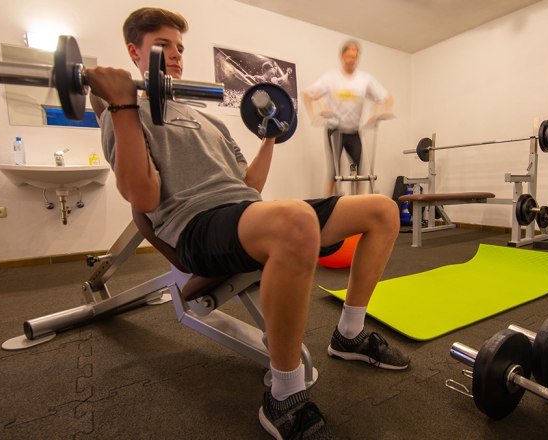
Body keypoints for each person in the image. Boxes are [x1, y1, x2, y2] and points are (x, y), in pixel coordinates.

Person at [84, 7, 409, 439]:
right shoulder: (124, 115)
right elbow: (142, 198)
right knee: (294, 220)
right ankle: (284, 395)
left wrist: (270, 138)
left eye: (180, 47)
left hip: (243, 211)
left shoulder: (208, 118)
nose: (176, 56)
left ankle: (348, 335)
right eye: (164, 46)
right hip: (196, 226)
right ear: (133, 51)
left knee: (382, 210)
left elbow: (250, 185)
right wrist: (120, 103)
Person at [302, 40, 394, 196]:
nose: (352, 56)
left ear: (358, 58)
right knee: (333, 173)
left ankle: (356, 205)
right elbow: (307, 94)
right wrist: (317, 112)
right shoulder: (331, 77)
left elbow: (387, 97)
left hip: (353, 131)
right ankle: (329, 205)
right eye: (349, 53)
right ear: (342, 56)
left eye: (355, 53)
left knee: (360, 172)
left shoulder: (364, 79)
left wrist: (378, 112)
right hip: (334, 130)